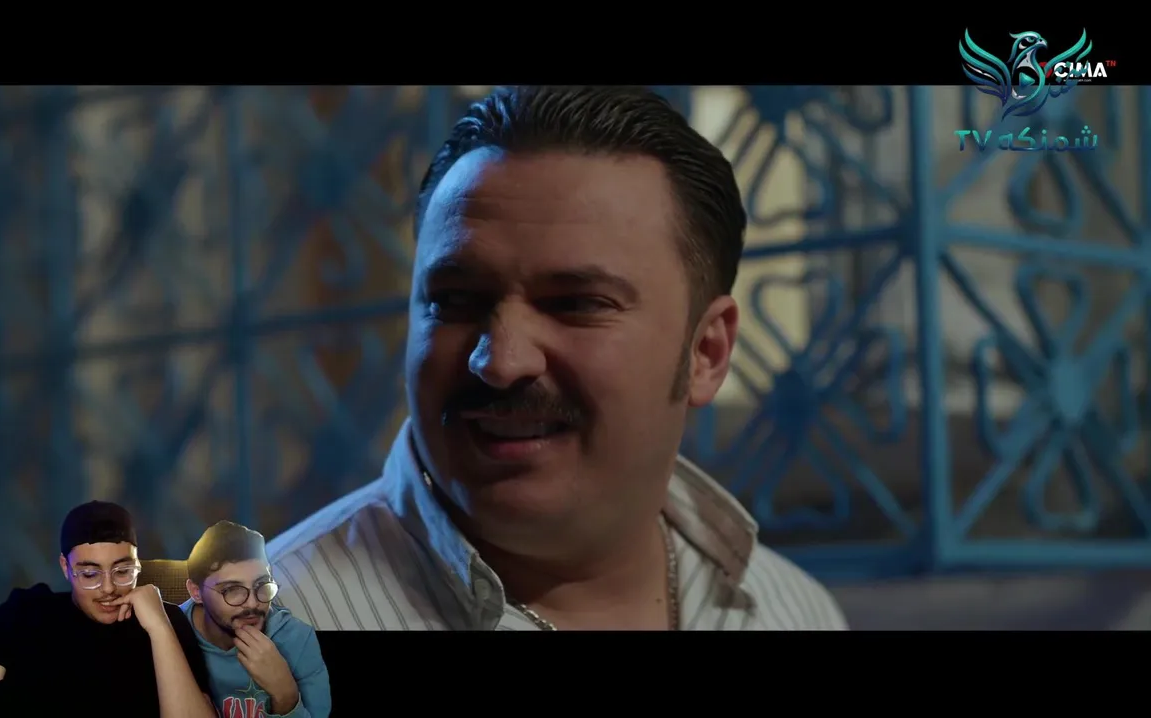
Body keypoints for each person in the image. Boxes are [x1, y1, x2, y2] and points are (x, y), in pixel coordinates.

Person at [266, 85, 849, 631]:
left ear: (706, 352)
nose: (500, 361)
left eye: (576, 304)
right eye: (455, 301)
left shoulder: (792, 612)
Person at [0, 501, 218, 716]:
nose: (108, 588)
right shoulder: (27, 612)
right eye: (90, 574)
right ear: (65, 568)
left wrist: (159, 628)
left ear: (138, 565)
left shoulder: (167, 619)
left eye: (122, 571)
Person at [181, 520, 331, 718]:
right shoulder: (170, 634)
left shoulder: (297, 639)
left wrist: (286, 695)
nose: (253, 603)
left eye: (262, 584)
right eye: (232, 590)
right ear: (196, 592)